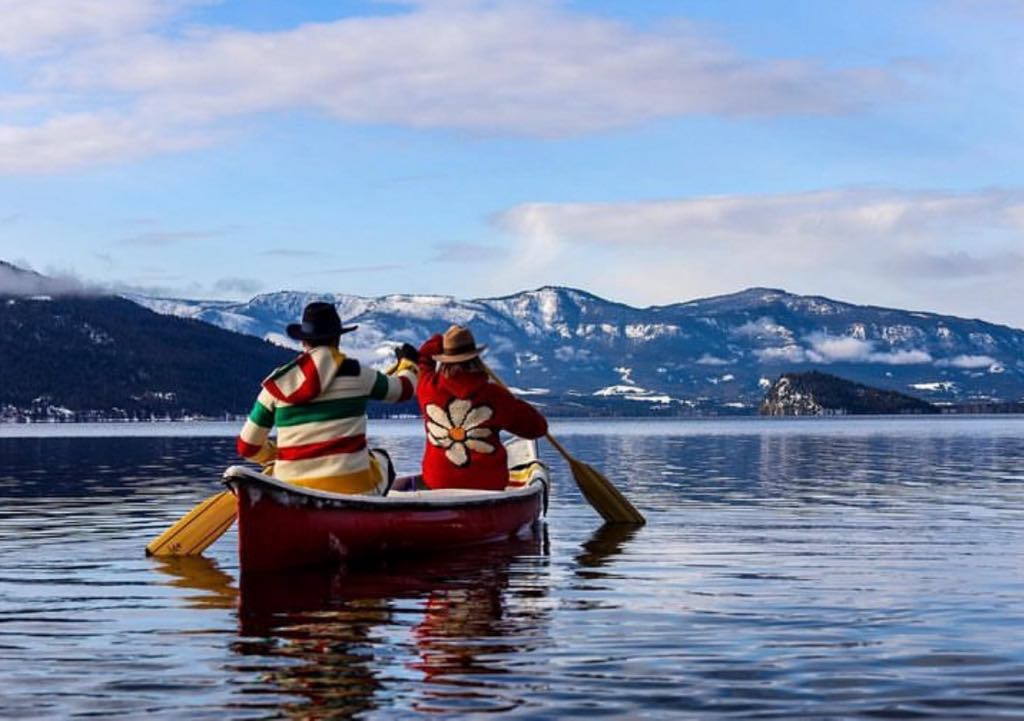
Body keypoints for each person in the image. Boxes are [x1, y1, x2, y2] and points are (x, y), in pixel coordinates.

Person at [237, 301, 419, 495]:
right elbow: (404, 390)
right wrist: (409, 364)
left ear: (304, 342)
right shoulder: (358, 374)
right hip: (354, 490)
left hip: (291, 491)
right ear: (337, 339)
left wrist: (279, 454)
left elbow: (247, 447)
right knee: (381, 458)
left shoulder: (276, 384)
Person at [416, 325, 547, 491]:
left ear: (444, 360)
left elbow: (423, 362)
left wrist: (436, 342)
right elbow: (537, 428)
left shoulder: (427, 388)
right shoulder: (495, 395)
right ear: (476, 359)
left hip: (438, 483)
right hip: (488, 486)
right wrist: (514, 403)